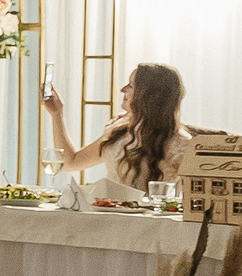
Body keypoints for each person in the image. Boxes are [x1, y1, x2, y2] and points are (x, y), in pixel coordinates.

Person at [42, 63, 189, 189]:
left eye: (131, 85)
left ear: (147, 95)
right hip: (108, 214)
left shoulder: (181, 143)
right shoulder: (120, 130)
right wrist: (57, 114)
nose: (123, 89)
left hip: (148, 220)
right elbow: (70, 162)